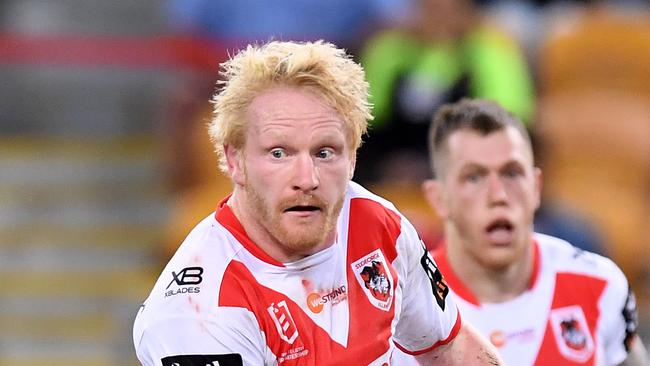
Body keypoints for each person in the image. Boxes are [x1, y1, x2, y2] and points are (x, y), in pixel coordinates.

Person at [132, 41, 503, 365]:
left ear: (354, 158)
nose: (306, 178)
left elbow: (450, 347)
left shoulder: (378, 224)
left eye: (325, 153)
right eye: (279, 153)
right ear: (235, 160)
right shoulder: (197, 312)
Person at [396, 98, 648, 365]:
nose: (498, 195)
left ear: (536, 187)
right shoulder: (405, 308)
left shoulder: (600, 285)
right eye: (474, 177)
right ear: (439, 198)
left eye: (512, 173)